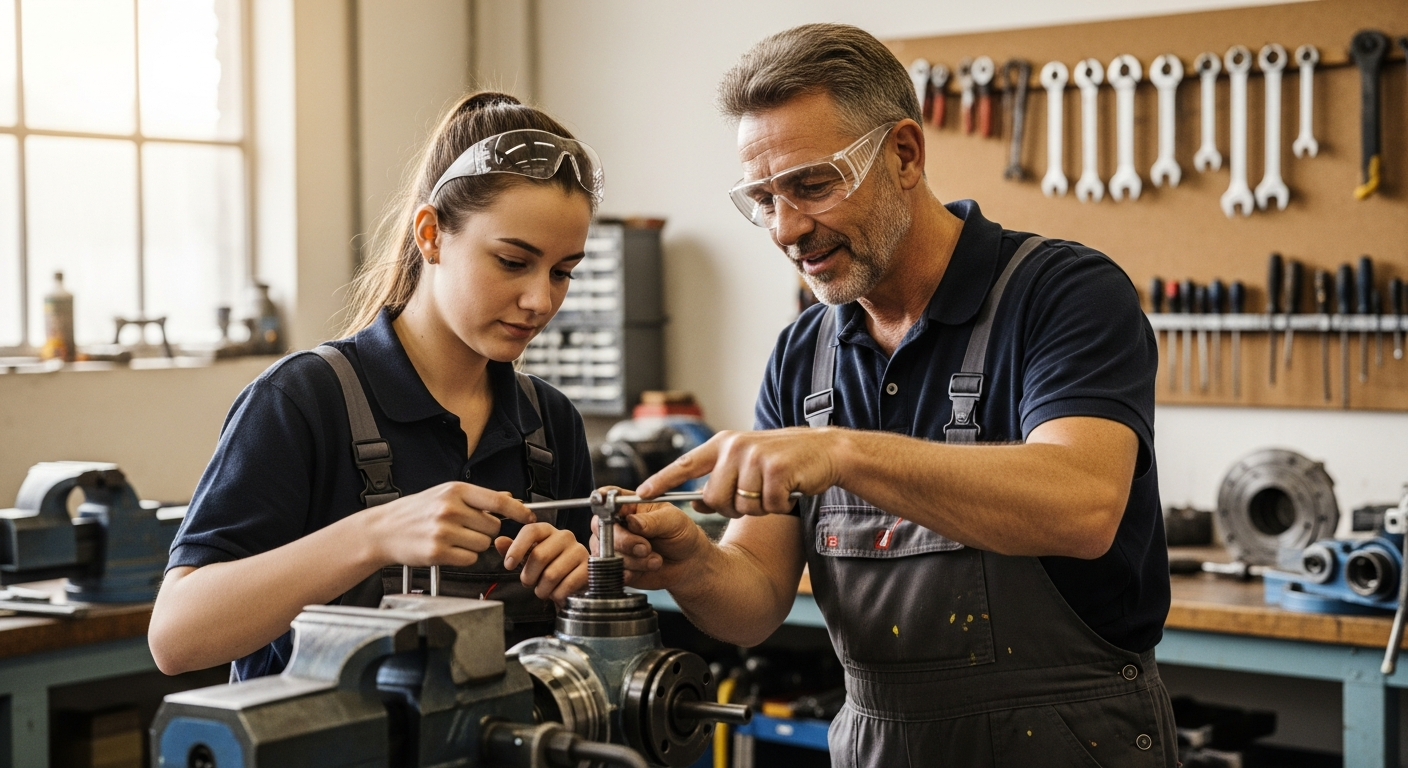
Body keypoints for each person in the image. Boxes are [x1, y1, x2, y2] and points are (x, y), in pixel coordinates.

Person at [600, 24, 1177, 767]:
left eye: (812, 184)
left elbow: (1083, 506)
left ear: (904, 153)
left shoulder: (1064, 293)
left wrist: (841, 453)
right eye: (763, 198)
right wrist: (688, 564)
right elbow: (756, 599)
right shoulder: (802, 354)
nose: (787, 229)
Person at [150, 93, 602, 681]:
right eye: (513, 262)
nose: (541, 300)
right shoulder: (304, 400)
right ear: (431, 234)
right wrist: (375, 534)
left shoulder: (551, 424)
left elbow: (573, 663)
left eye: (563, 272)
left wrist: (579, 590)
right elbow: (177, 636)